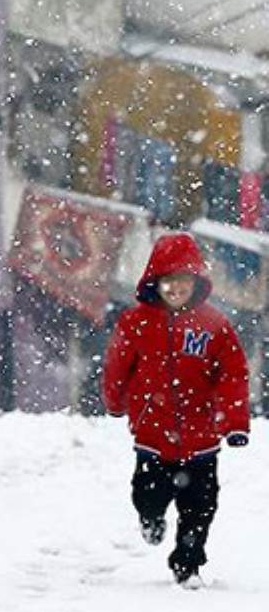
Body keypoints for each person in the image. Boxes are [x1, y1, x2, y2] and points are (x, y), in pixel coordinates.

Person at [102, 232, 249, 588]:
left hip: (202, 438)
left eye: (183, 280)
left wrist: (234, 422)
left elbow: (232, 374)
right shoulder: (134, 323)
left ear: (195, 282)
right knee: (147, 493)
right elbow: (118, 365)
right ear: (156, 283)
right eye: (168, 281)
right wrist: (115, 400)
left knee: (200, 507)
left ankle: (188, 565)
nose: (176, 288)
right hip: (153, 433)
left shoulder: (215, 326)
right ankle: (151, 519)